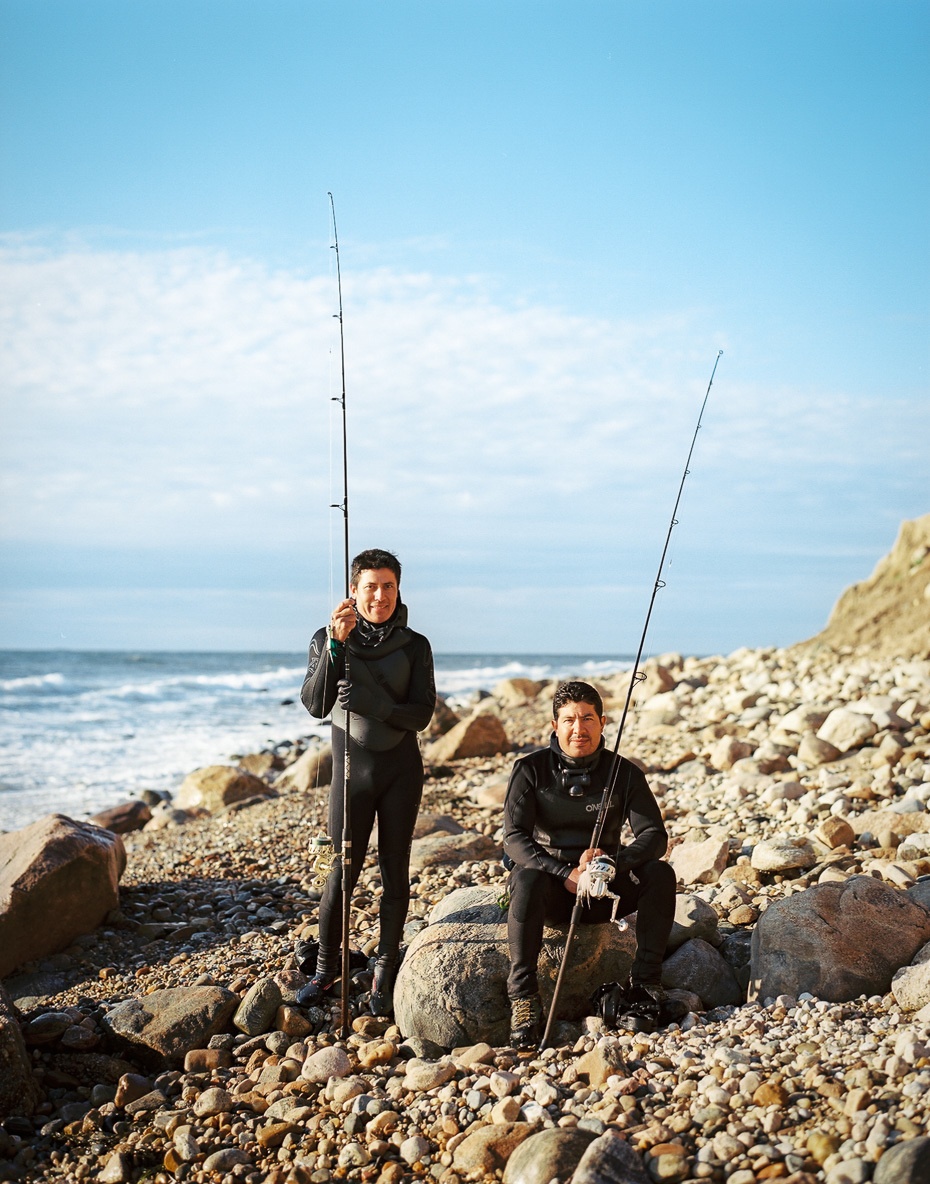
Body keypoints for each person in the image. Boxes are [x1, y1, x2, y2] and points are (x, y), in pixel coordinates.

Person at [296, 548, 436, 1015]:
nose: (380, 596)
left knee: (395, 872)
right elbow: (316, 705)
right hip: (350, 775)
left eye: (389, 586)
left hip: (401, 774)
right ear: (353, 591)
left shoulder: (416, 646)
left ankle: (386, 964)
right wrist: (336, 645)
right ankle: (325, 969)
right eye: (370, 587)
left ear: (399, 589)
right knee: (340, 873)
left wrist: (375, 702)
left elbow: (421, 715)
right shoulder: (328, 638)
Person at [502, 679, 676, 1048]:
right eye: (568, 720)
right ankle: (524, 1000)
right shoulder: (530, 770)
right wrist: (565, 873)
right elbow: (514, 838)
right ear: (555, 725)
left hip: (603, 890)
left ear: (602, 722)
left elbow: (654, 836)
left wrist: (613, 863)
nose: (578, 728)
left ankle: (646, 983)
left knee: (659, 873)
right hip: (553, 891)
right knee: (525, 877)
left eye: (587, 719)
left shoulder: (625, 773)